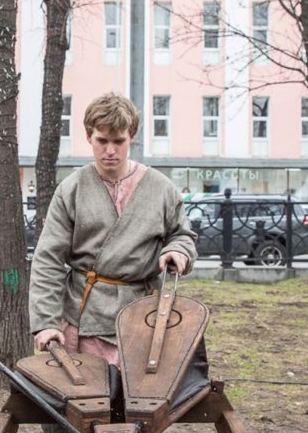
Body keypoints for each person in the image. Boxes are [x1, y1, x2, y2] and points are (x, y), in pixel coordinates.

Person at [28, 93, 196, 366]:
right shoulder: (72, 189)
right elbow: (48, 259)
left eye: (119, 141)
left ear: (132, 137)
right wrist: (46, 322)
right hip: (83, 316)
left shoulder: (161, 188)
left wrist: (178, 251)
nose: (110, 150)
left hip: (145, 314)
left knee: (142, 401)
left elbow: (181, 235)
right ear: (88, 137)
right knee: (86, 401)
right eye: (101, 141)